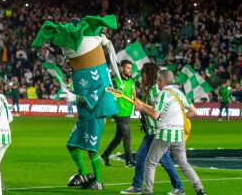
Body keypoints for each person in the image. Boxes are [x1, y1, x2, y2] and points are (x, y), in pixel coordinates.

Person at [32, 15, 119, 190]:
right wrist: (72, 88)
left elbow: (98, 92)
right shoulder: (79, 71)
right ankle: (85, 174)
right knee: (72, 145)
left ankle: (98, 181)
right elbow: (82, 85)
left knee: (92, 149)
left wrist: (74, 97)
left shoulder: (99, 75)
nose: (69, 61)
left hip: (95, 113)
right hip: (84, 113)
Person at [134, 69, 207, 195]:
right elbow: (194, 111)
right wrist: (180, 117)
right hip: (179, 137)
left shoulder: (163, 94)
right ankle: (199, 189)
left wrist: (141, 108)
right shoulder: (180, 93)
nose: (157, 83)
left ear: (162, 81)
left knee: (150, 163)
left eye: (158, 80)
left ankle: (148, 191)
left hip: (163, 136)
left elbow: (155, 114)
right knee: (185, 165)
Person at [120, 63, 184, 195]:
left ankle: (179, 187)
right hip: (151, 132)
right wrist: (141, 105)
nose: (141, 76)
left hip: (157, 132)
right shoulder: (151, 89)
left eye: (143, 73)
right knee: (141, 158)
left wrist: (142, 107)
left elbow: (157, 112)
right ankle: (137, 185)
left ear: (147, 74)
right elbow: (151, 107)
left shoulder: (155, 90)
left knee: (164, 160)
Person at [102, 60, 136, 167]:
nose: (129, 70)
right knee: (127, 136)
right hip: (118, 112)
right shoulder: (115, 81)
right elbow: (107, 90)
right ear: (121, 68)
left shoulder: (132, 82)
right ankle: (129, 161)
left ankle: (104, 156)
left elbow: (134, 96)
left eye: (131, 68)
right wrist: (117, 92)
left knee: (118, 137)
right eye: (127, 68)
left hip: (127, 112)